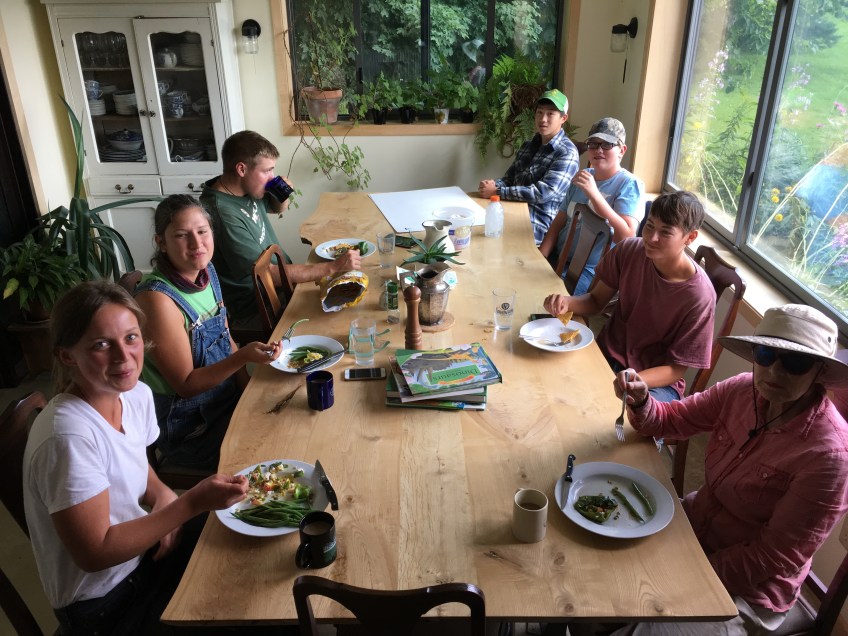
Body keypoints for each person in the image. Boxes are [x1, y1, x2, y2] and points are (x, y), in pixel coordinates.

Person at [597, 304, 848, 636]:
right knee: (597, 576)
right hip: (694, 527)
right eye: (765, 355)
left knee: (642, 622)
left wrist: (678, 573)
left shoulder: (829, 456)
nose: (774, 372)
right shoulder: (742, 390)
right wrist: (642, 400)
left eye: (796, 362)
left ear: (819, 371)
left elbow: (772, 557)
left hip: (749, 587)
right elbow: (671, 420)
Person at [22, 280, 249, 635]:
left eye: (131, 338)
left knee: (254, 550)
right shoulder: (67, 438)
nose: (123, 357)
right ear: (67, 356)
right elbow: (95, 552)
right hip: (106, 605)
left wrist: (163, 496)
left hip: (146, 556)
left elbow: (139, 470)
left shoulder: (133, 394)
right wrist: (188, 504)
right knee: (253, 614)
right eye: (101, 344)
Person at [134, 194, 282, 470]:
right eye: (182, 235)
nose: (196, 244)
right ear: (161, 242)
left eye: (202, 231)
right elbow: (186, 385)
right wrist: (243, 358)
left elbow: (227, 339)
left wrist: (247, 392)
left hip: (224, 400)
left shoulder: (206, 271)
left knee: (292, 411)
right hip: (192, 428)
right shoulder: (157, 299)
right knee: (279, 446)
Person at [544, 190, 715, 401]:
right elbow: (596, 301)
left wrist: (633, 378)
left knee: (626, 417)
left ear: (690, 237)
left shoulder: (699, 295)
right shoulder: (630, 250)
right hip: (607, 354)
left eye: (665, 233)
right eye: (649, 226)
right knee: (551, 383)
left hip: (654, 382)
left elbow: (675, 369)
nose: (652, 238)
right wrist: (565, 302)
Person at [200, 130, 360, 328]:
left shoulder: (243, 187)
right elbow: (267, 274)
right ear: (241, 169)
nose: (272, 177)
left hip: (282, 286)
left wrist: (282, 193)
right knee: (341, 321)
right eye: (267, 171)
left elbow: (277, 208)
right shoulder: (221, 212)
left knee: (354, 293)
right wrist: (332, 267)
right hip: (260, 307)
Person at [538, 117, 644, 295]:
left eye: (607, 144)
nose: (599, 150)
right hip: (559, 257)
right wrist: (540, 257)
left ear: (622, 150)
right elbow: (559, 222)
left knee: (549, 301)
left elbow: (626, 236)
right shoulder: (583, 176)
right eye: (593, 144)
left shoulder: (629, 184)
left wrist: (594, 195)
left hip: (591, 271)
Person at [479, 89, 579, 245]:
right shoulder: (528, 146)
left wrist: (497, 191)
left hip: (537, 224)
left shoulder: (567, 153)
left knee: (485, 238)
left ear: (563, 118)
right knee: (473, 225)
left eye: (550, 114)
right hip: (512, 209)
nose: (543, 119)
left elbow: (542, 193)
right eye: (539, 112)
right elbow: (509, 179)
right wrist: (492, 185)